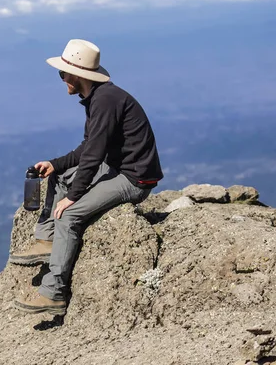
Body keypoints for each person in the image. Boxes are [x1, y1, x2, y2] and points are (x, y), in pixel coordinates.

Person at [9, 39, 164, 315]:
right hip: (116, 167)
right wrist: (55, 165)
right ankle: (45, 240)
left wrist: (72, 197)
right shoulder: (98, 98)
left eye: (63, 74)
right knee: (59, 176)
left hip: (134, 179)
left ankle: (53, 292)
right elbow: (88, 147)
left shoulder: (105, 101)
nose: (62, 79)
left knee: (69, 216)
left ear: (78, 76)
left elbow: (92, 156)